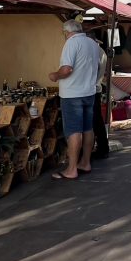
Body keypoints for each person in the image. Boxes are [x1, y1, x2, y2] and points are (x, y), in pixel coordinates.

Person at [48, 20, 102, 181]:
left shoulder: (71, 43)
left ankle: (71, 169)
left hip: (72, 94)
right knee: (87, 128)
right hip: (89, 92)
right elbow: (98, 67)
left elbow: (67, 69)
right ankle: (85, 162)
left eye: (63, 33)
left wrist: (54, 75)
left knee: (74, 131)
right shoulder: (92, 43)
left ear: (67, 32)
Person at [91, 36, 109, 160]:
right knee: (97, 120)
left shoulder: (95, 52)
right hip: (96, 88)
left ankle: (102, 148)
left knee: (95, 121)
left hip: (91, 89)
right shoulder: (101, 52)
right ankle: (103, 147)